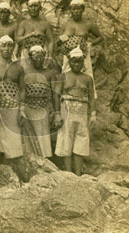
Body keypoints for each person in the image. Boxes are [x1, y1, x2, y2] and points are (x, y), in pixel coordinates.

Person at [55, 46, 96, 176]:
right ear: (70, 61)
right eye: (74, 61)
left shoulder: (88, 79)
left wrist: (93, 114)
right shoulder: (63, 76)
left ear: (83, 61)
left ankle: (77, 174)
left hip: (82, 111)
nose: (77, 64)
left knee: (81, 141)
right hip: (67, 109)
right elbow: (56, 96)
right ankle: (68, 173)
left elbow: (91, 97)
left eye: (79, 61)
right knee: (66, 140)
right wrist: (57, 114)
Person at [20, 45, 61, 158]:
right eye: (36, 57)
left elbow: (55, 95)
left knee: (43, 138)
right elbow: (20, 92)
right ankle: (30, 162)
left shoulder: (50, 73)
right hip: (28, 109)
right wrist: (20, 108)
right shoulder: (24, 72)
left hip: (44, 109)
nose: (38, 60)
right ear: (30, 58)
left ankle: (45, 163)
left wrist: (57, 113)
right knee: (28, 139)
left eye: (41, 57)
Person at [0, 35, 24, 162]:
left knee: (13, 143)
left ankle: (12, 174)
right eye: (4, 46)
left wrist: (22, 109)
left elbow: (22, 89)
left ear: (13, 47)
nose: (7, 49)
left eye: (10, 46)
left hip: (13, 109)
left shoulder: (18, 68)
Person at [59, 0, 103, 99]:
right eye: (73, 9)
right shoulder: (66, 24)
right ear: (70, 10)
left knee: (87, 74)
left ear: (83, 9)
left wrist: (90, 44)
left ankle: (88, 100)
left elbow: (100, 37)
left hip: (83, 55)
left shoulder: (88, 24)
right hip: (68, 55)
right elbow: (59, 41)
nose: (76, 11)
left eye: (78, 8)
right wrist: (61, 44)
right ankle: (65, 98)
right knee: (66, 74)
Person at [17, 0, 54, 68]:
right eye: (31, 6)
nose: (33, 8)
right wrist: (29, 35)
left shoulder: (45, 24)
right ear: (28, 8)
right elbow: (17, 40)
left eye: (35, 6)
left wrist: (49, 56)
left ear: (40, 7)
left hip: (42, 53)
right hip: (26, 52)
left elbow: (51, 41)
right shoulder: (23, 23)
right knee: (26, 74)